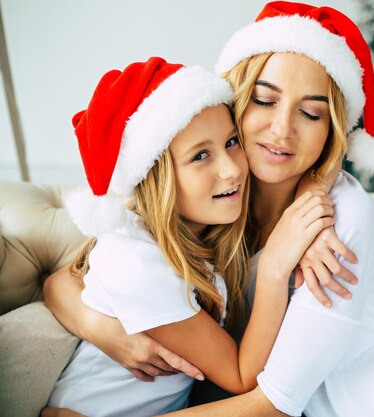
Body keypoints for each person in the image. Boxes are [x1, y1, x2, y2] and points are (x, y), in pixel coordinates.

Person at [43, 2, 374, 417]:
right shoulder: (213, 201)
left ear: (333, 130)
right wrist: (106, 331)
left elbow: (272, 402)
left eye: (311, 114)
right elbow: (71, 278)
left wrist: (295, 229)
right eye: (265, 101)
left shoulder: (339, 218)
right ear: (233, 105)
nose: (282, 129)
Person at [45, 56, 338, 417]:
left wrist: (312, 189)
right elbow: (242, 375)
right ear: (157, 178)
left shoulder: (202, 231)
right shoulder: (137, 259)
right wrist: (274, 268)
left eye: (232, 142)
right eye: (201, 155)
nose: (232, 169)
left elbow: (329, 154)